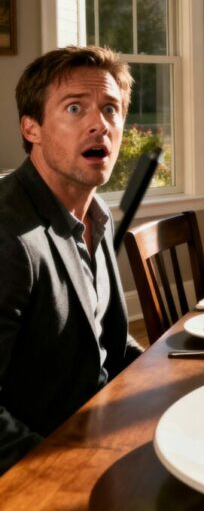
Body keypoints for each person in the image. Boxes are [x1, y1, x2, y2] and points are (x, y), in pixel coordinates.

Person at [0, 46, 143, 475]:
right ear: (32, 128)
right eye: (75, 108)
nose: (99, 124)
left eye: (110, 109)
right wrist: (60, 475)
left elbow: (110, 347)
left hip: (103, 434)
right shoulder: (9, 236)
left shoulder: (96, 216)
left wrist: (179, 389)